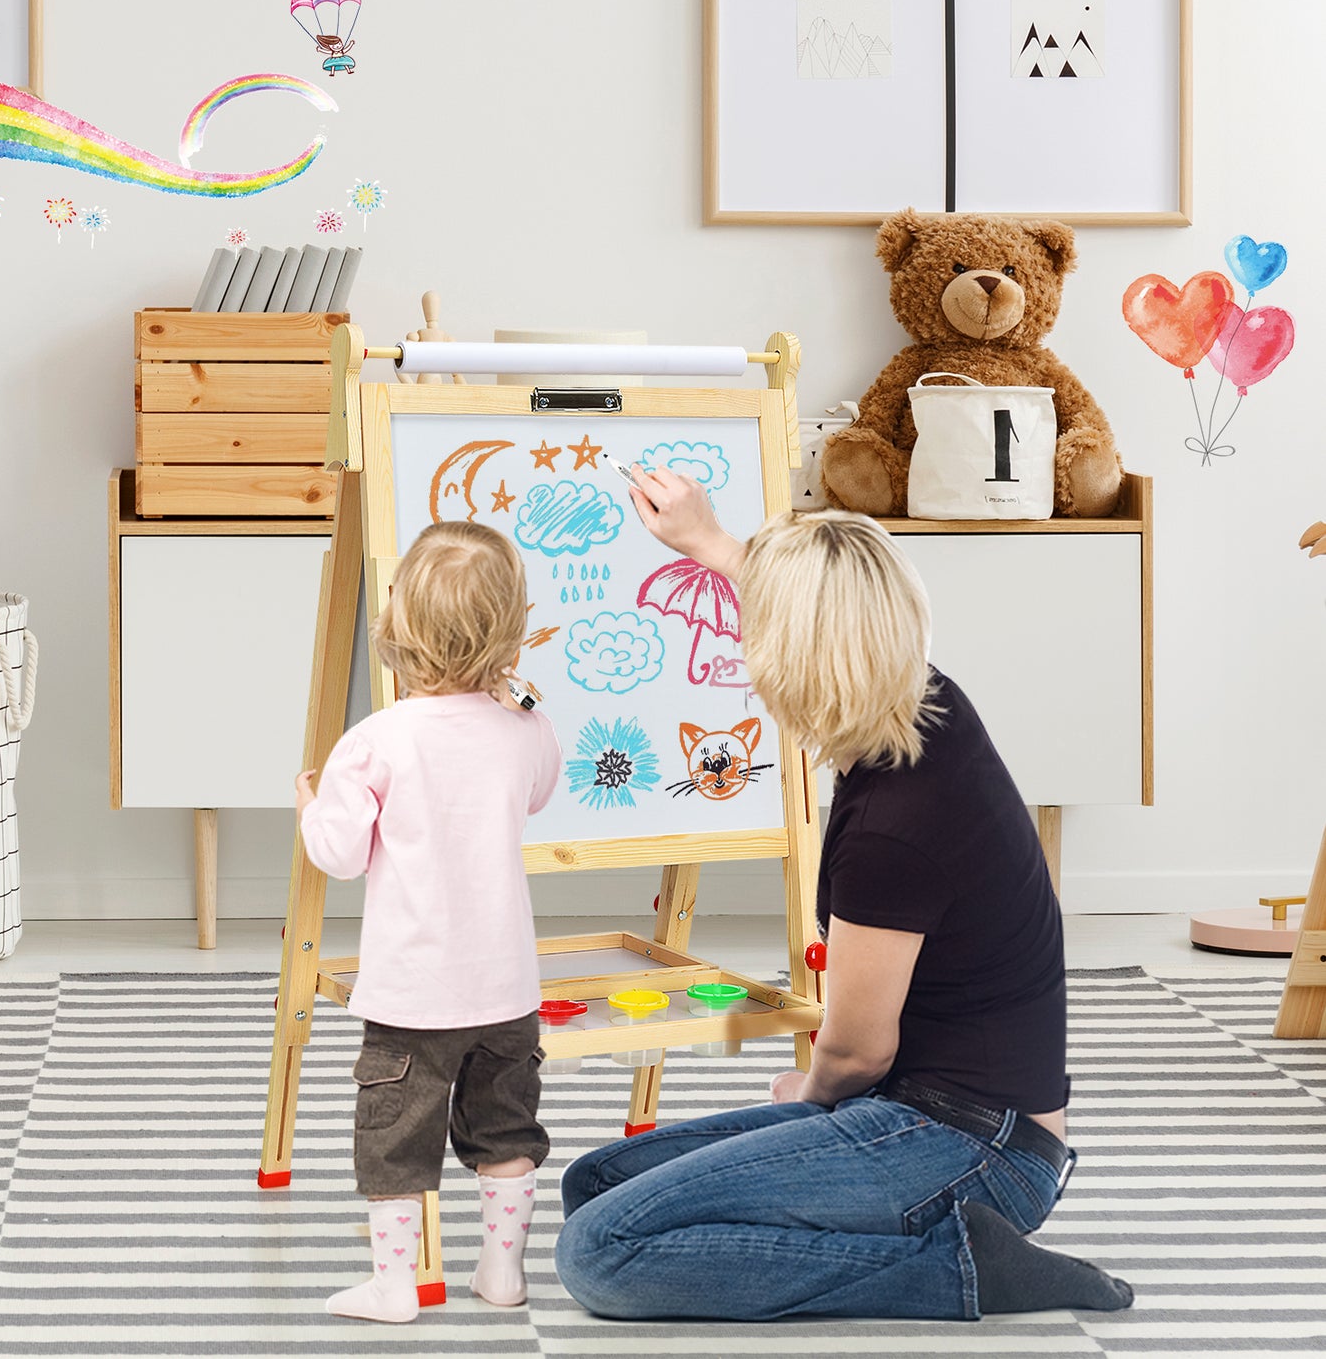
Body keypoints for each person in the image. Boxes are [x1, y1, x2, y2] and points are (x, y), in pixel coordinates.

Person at [553, 467, 1134, 1323]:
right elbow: (826, 601)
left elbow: (857, 1049)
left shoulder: (892, 831)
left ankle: (964, 1271)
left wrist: (812, 1097)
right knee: (594, 1182)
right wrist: (710, 541)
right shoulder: (923, 696)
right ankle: (918, 1242)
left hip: (975, 1147)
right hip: (922, 1106)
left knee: (600, 1253)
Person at [295, 521, 561, 1324]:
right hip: (508, 988)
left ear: (397, 622)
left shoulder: (374, 741)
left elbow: (338, 855)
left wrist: (311, 806)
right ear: (512, 628)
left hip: (413, 995)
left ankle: (393, 1284)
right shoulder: (526, 727)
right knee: (506, 1126)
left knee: (394, 1139)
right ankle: (502, 1270)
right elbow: (537, 794)